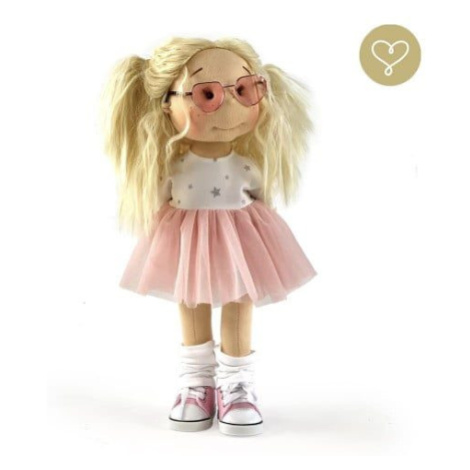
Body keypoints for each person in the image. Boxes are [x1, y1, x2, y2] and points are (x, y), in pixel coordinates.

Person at [101, 36, 317, 436]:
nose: (232, 105)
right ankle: (196, 382)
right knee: (191, 300)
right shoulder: (175, 167)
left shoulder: (247, 165)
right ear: (167, 104)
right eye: (208, 94)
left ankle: (237, 384)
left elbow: (262, 199)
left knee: (240, 300)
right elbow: (159, 201)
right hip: (188, 242)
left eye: (245, 90)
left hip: (241, 241)